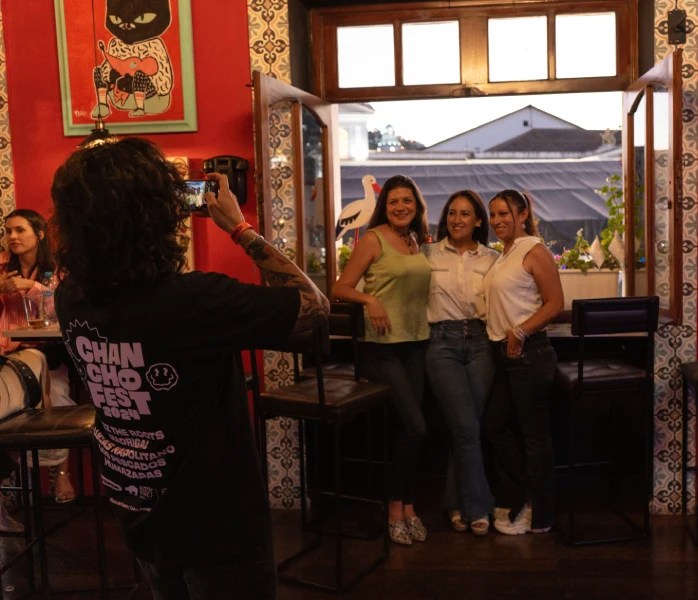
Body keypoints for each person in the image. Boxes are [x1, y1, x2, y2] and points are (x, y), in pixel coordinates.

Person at [51, 137, 329, 600]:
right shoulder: (194, 301)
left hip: (136, 506)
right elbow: (314, 308)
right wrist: (240, 229)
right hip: (215, 526)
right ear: (158, 216)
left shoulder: (69, 297)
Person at [331, 174, 431, 546]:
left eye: (407, 200)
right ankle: (394, 508)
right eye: (393, 202)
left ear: (416, 205)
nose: (401, 207)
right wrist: (371, 300)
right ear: (383, 207)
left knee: (410, 432)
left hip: (417, 343)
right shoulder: (373, 240)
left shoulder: (416, 240)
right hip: (381, 348)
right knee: (416, 427)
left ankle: (407, 505)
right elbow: (339, 287)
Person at [483, 190, 563, 536]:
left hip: (530, 353)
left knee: (535, 439)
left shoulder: (534, 250)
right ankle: (522, 496)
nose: (497, 221)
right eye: (493, 215)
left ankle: (541, 514)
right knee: (494, 427)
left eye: (504, 214)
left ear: (523, 213)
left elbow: (556, 302)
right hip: (505, 355)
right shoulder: (505, 253)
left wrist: (520, 331)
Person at [422, 191, 498, 536]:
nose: (457, 220)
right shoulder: (427, 253)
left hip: (482, 342)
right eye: (452, 213)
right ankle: (478, 508)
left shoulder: (494, 259)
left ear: (478, 221)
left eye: (465, 214)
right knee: (466, 428)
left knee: (466, 429)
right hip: (441, 342)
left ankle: (455, 504)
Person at [0, 209, 75, 508]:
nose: (13, 237)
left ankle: (61, 472)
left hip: (49, 352)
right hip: (8, 353)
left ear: (40, 233)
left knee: (55, 393)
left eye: (20, 230)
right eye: (8, 231)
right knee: (8, 408)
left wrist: (31, 287)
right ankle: (10, 479)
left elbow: (65, 308)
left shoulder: (59, 268)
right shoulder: (3, 266)